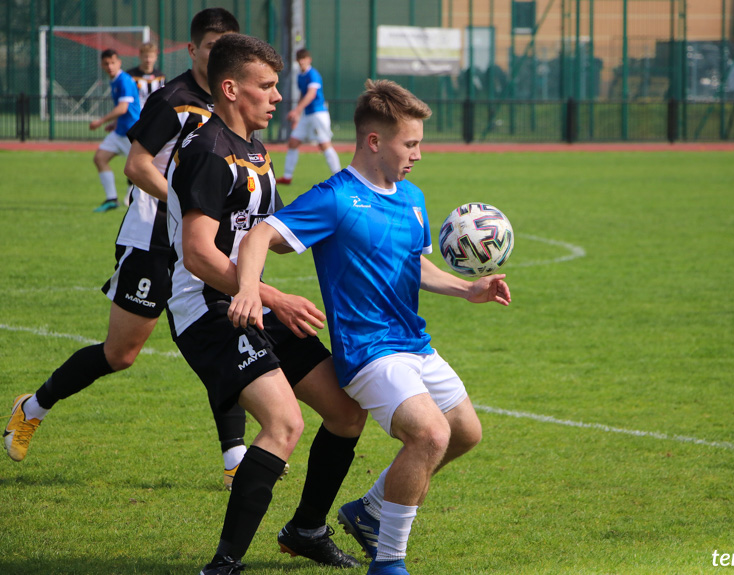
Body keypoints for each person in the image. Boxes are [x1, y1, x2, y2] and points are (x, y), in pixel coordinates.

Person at [228, 79, 512, 575]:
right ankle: (389, 562)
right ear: (374, 141)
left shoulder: (412, 196)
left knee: (465, 433)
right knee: (429, 435)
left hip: (413, 342)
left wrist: (469, 289)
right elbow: (259, 236)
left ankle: (369, 510)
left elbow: (414, 266)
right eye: (411, 143)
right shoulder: (336, 198)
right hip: (367, 351)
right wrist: (250, 289)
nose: (418, 155)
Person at [3, 8, 251, 491]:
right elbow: (136, 167)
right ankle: (31, 407)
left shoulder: (235, 103)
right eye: (214, 48)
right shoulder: (173, 100)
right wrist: (190, 203)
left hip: (205, 242)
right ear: (194, 50)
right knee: (121, 353)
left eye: (230, 49)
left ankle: (235, 457)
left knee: (224, 332)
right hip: (153, 237)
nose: (222, 58)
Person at [165, 33, 366, 573]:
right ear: (230, 89)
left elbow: (264, 234)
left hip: (249, 300)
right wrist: (268, 293)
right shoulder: (208, 152)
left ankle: (305, 531)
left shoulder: (253, 148)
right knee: (284, 424)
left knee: (347, 413)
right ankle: (224, 564)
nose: (278, 97)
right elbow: (199, 255)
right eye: (267, 86)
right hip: (206, 308)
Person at [275, 48, 340, 186]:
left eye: (304, 59)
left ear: (309, 60)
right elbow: (302, 96)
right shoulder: (300, 75)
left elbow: (311, 94)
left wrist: (297, 111)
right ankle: (287, 177)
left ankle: (338, 175)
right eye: (299, 60)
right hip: (306, 115)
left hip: (318, 114)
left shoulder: (313, 74)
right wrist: (297, 116)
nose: (301, 62)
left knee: (324, 144)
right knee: (293, 142)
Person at [89, 48, 141, 213]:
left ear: (119, 62)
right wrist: (115, 124)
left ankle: (149, 203)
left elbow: (123, 108)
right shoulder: (115, 81)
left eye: (113, 62)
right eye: (106, 63)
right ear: (102, 65)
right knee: (99, 158)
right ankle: (112, 199)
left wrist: (101, 121)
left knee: (139, 170)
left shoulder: (124, 80)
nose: (110, 66)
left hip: (131, 132)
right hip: (120, 131)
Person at [127, 42, 166, 107]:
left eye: (151, 57)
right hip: (136, 115)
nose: (148, 60)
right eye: (146, 57)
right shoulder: (130, 76)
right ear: (140, 56)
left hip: (154, 114)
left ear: (156, 57)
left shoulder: (160, 77)